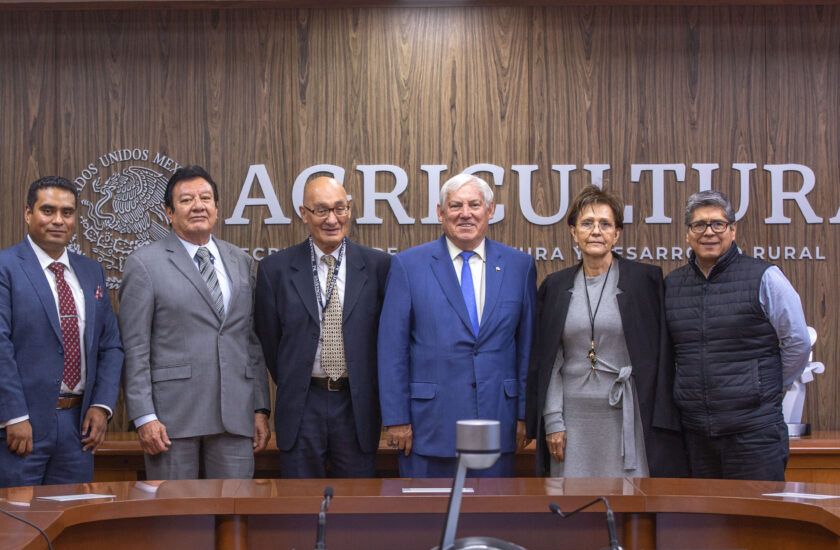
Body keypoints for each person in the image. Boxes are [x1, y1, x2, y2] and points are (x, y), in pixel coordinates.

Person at [378, 172, 535, 477]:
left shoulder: (520, 266)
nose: (465, 213)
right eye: (455, 205)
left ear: (490, 210)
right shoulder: (408, 266)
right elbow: (392, 349)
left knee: (490, 507)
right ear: (440, 212)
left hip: (498, 419)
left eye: (474, 205)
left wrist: (523, 414)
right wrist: (396, 419)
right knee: (428, 508)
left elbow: (527, 347)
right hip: (428, 426)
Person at [0, 176, 124, 488]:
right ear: (28, 213)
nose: (58, 220)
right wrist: (15, 416)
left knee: (73, 513)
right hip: (20, 425)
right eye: (48, 210)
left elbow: (110, 345)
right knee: (18, 516)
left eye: (67, 212)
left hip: (78, 426)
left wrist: (101, 405)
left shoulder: (91, 271)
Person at [119, 165, 270, 479]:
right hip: (171, 419)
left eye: (205, 198)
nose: (198, 206)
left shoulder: (240, 261)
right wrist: (144, 416)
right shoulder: (144, 264)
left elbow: (250, 341)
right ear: (169, 212)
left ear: (216, 208)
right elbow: (135, 348)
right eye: (186, 200)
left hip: (235, 415)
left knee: (235, 505)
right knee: (175, 509)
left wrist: (259, 408)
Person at [526, 185, 688, 478]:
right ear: (574, 232)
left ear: (617, 234)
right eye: (587, 223)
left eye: (605, 224)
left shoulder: (645, 282)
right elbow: (549, 362)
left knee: (630, 497)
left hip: (629, 415)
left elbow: (663, 359)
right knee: (574, 498)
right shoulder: (555, 287)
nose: (596, 232)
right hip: (572, 421)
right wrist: (553, 421)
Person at [666, 190, 811, 481]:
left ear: (733, 230)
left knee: (759, 511)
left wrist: (765, 385)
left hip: (755, 434)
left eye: (718, 224)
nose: (709, 232)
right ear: (688, 234)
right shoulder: (672, 284)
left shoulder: (765, 277)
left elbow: (798, 341)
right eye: (699, 225)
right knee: (702, 513)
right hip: (695, 435)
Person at [255, 176, 391, 478]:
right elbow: (270, 343)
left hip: (356, 404)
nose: (332, 219)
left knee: (356, 500)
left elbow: (388, 340)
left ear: (349, 209)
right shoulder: (275, 271)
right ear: (304, 214)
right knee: (300, 500)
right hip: (302, 403)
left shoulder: (379, 267)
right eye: (321, 210)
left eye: (339, 209)